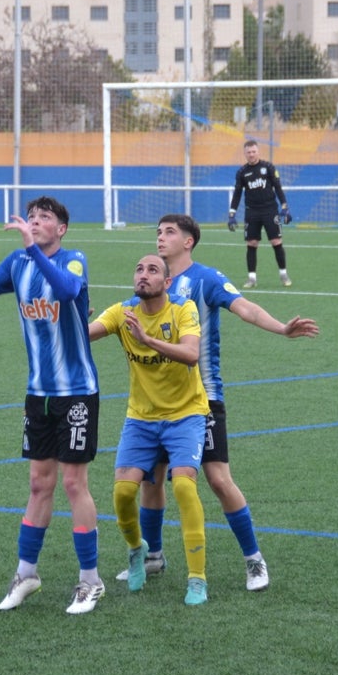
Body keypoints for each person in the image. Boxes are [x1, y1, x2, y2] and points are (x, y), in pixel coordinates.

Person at [114, 215, 320, 592]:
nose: (161, 237)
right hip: (156, 403)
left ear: (189, 241)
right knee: (152, 480)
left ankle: (253, 559)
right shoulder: (151, 282)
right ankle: (154, 555)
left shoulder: (205, 279)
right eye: (158, 232)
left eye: (169, 232)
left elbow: (245, 308)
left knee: (218, 479)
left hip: (202, 399)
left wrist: (281, 328)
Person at [0, 196, 106, 615]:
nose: (35, 222)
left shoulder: (74, 259)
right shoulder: (18, 264)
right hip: (38, 394)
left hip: (77, 391)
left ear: (60, 229)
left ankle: (90, 581)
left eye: (44, 219)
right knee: (38, 484)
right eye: (32, 217)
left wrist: (29, 247)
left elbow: (66, 290)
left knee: (73, 484)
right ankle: (27, 574)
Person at [89, 254, 212, 605]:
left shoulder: (182, 310)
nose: (143, 275)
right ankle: (136, 549)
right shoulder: (121, 312)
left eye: (153, 270)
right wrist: (70, 318)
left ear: (167, 282)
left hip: (186, 414)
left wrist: (146, 339)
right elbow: (83, 337)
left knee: (185, 487)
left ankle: (197, 578)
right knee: (122, 494)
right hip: (141, 418)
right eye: (139, 269)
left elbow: (190, 355)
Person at [229, 139, 292, 288]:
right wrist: (232, 214)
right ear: (245, 154)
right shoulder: (242, 172)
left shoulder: (268, 167)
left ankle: (283, 274)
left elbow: (278, 187)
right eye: (248, 152)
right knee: (251, 243)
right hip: (252, 212)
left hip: (270, 210)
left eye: (254, 151)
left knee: (276, 242)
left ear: (258, 152)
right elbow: (237, 194)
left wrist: (284, 207)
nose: (251, 155)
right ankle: (252, 278)